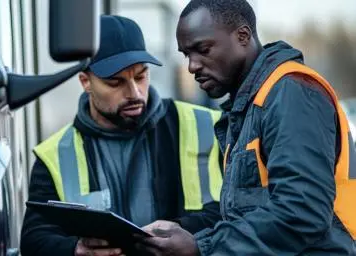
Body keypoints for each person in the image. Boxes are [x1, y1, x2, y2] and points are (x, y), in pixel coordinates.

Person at [136, 0, 356, 255]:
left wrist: (201, 247)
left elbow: (302, 212)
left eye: (203, 49)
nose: (192, 66)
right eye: (187, 55)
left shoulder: (291, 92)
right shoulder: (250, 106)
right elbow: (246, 212)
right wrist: (181, 229)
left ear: (242, 35)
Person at [20, 15, 224, 256]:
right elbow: (34, 239)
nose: (134, 93)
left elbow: (244, 210)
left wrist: (183, 230)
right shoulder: (55, 154)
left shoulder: (209, 126)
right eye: (115, 82)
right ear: (86, 82)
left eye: (141, 76)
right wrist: (76, 250)